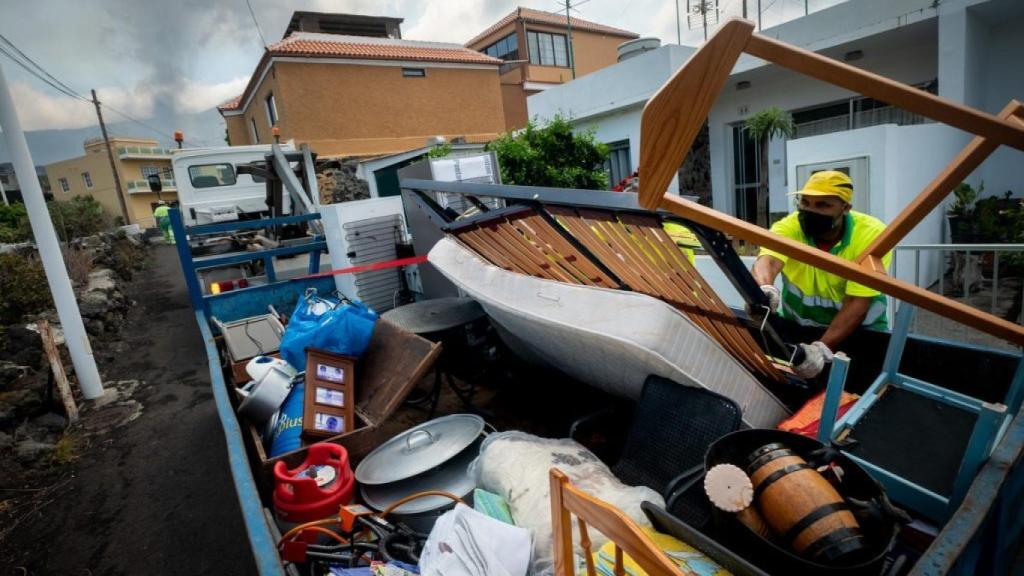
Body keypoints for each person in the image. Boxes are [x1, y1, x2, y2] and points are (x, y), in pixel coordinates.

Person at [751, 171, 890, 379]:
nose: (810, 211)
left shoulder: (871, 235)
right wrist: (763, 289)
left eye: (823, 205)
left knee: (858, 394)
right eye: (805, 202)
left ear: (845, 208)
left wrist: (822, 348)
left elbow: (857, 304)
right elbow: (768, 261)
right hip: (801, 329)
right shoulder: (790, 227)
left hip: (860, 334)